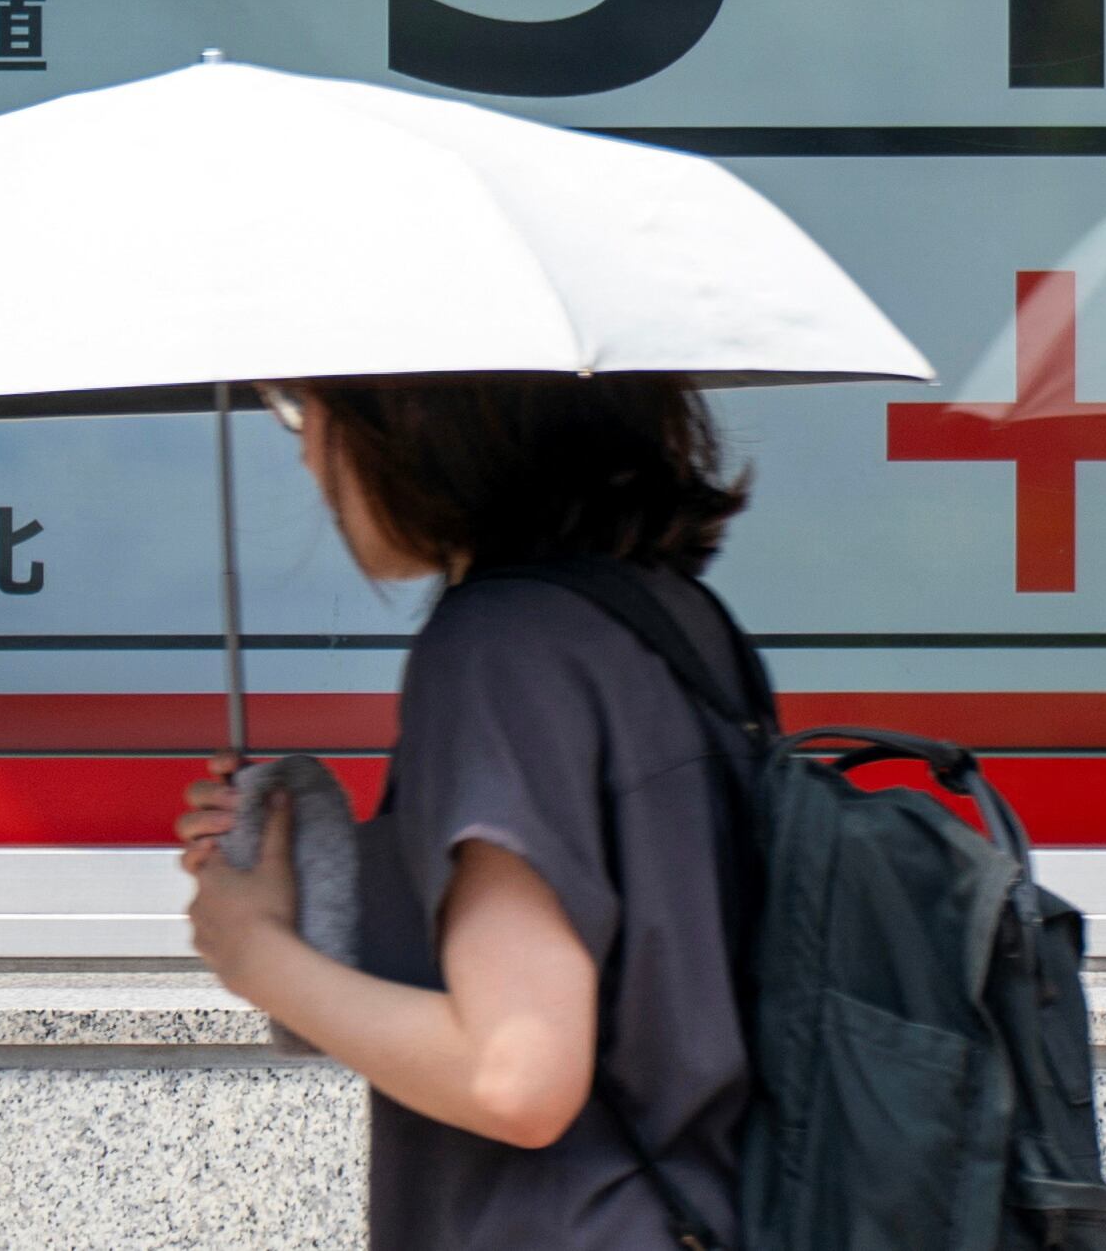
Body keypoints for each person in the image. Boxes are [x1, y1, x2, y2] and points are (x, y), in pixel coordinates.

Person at [177, 375, 761, 1251]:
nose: (303, 447)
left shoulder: (494, 648)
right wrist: (314, 891)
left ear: (418, 419)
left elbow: (514, 1073)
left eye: (310, 407)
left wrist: (253, 951)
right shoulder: (673, 621)